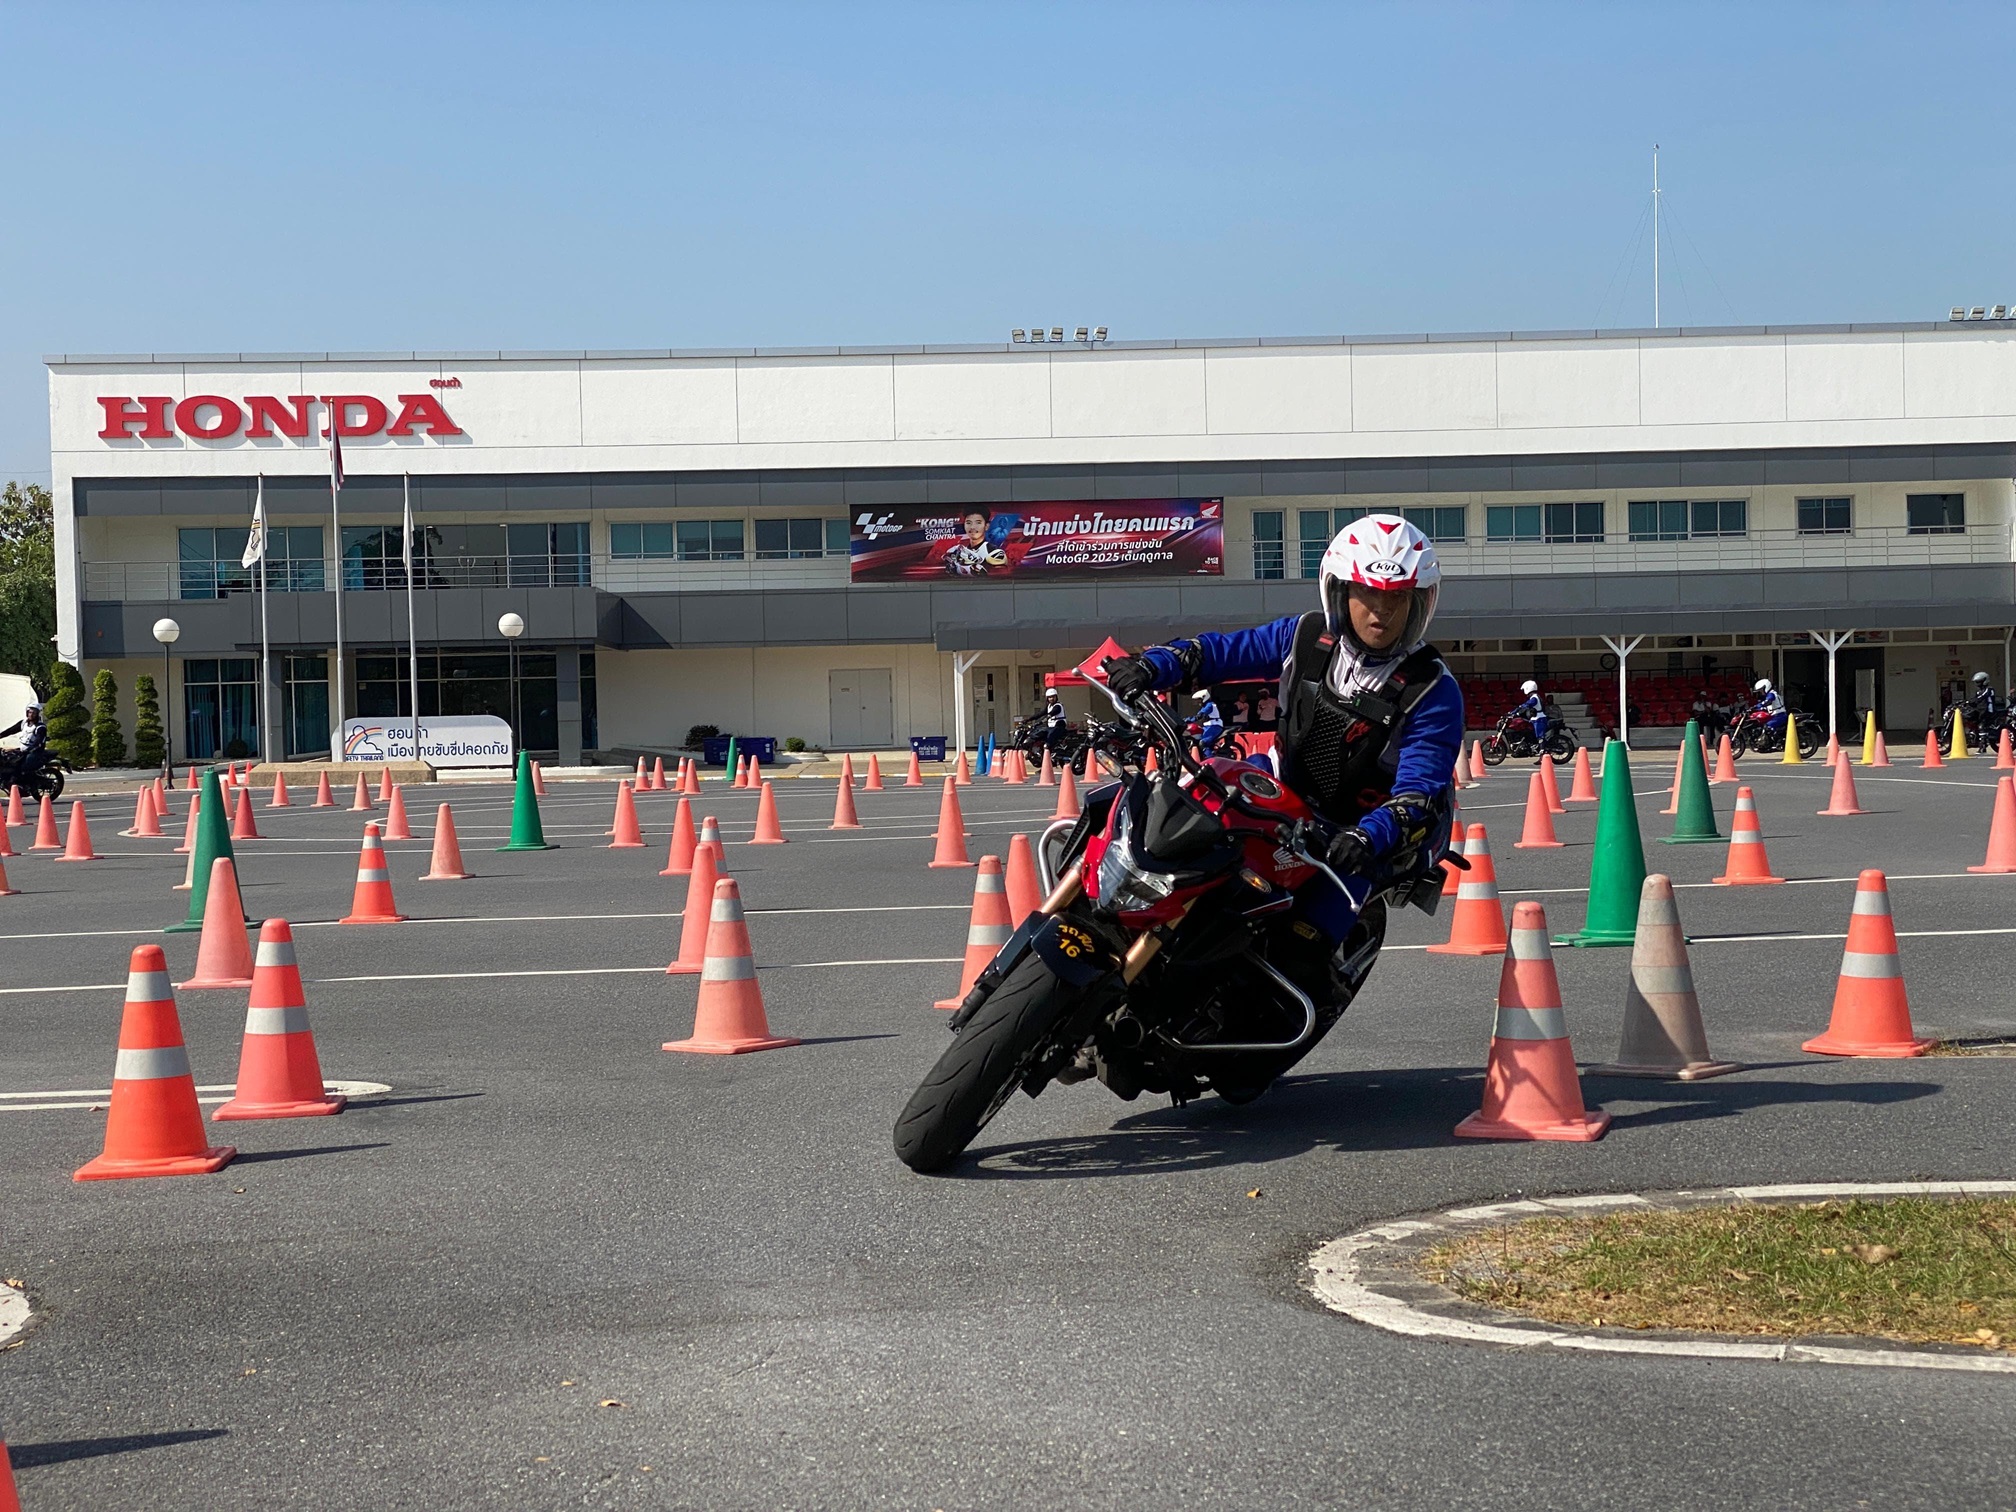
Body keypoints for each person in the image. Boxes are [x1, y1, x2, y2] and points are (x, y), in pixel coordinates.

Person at [1102, 514, 1463, 991]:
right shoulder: (1306, 637)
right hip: (1281, 793)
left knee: (1298, 957)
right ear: (1338, 592)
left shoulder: (1433, 689)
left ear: (1420, 603)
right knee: (1168, 827)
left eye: (1397, 598)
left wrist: (1366, 838)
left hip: (1355, 833)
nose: (1382, 611)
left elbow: (1419, 789)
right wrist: (1155, 665)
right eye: (1367, 594)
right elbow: (1221, 652)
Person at [943, 509, 1008, 578]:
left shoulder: (994, 551)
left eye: (978, 523)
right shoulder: (959, 551)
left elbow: (1000, 577)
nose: (972, 527)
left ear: (986, 526)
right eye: (968, 523)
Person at [0, 703, 48, 781]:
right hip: (22, 750)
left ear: (38, 714)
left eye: (34, 713)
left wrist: (29, 750)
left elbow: (38, 742)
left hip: (34, 752)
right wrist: (1, 735)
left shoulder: (40, 727)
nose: (31, 715)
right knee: (8, 760)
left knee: (23, 767)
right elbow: (11, 730)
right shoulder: (24, 723)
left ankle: (28, 783)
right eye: (29, 712)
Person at [1512, 679, 1549, 753]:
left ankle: (1542, 750)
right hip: (1535, 718)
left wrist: (1518, 710)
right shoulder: (1534, 697)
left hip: (1539, 718)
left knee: (1540, 736)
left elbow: (1527, 704)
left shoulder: (1534, 698)